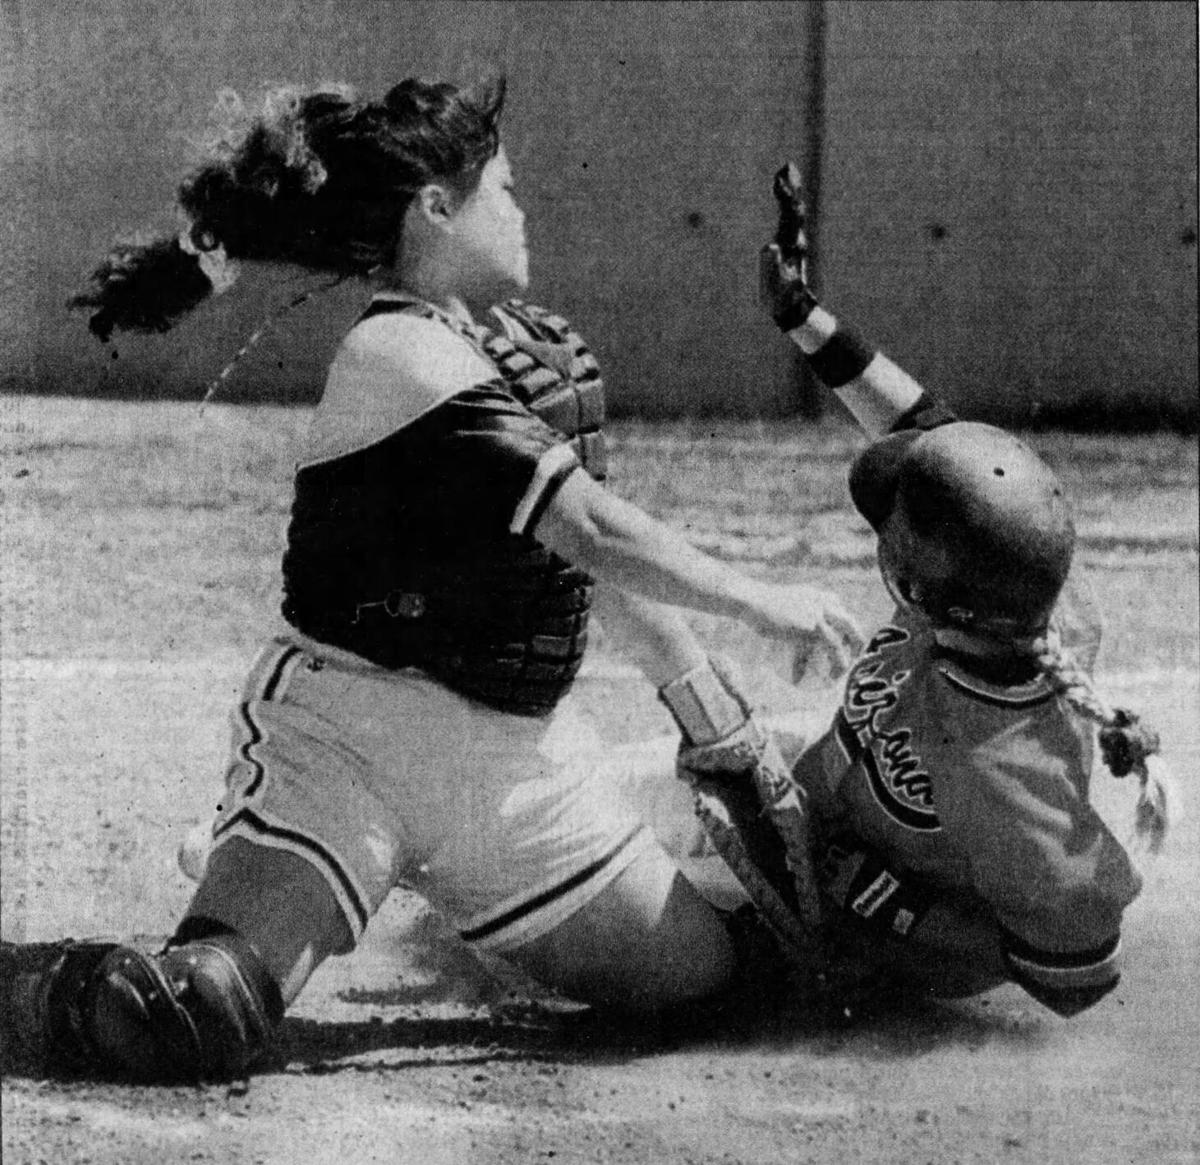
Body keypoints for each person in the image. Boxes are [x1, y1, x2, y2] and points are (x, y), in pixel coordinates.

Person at [0, 77, 863, 1083]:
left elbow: (571, 560)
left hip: (509, 772)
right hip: (347, 744)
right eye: (505, 186)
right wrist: (767, 601)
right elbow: (588, 522)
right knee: (198, 1011)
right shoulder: (396, 352)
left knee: (718, 983)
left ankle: (434, 921)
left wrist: (710, 713)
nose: (523, 208)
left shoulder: (514, 359)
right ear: (438, 208)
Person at [751, 165, 1171, 1012]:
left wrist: (869, 897)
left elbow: (1076, 973)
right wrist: (805, 320)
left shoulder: (1002, 770)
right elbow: (929, 431)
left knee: (674, 966)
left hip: (869, 935)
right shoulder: (1025, 574)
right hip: (834, 815)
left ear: (911, 588)